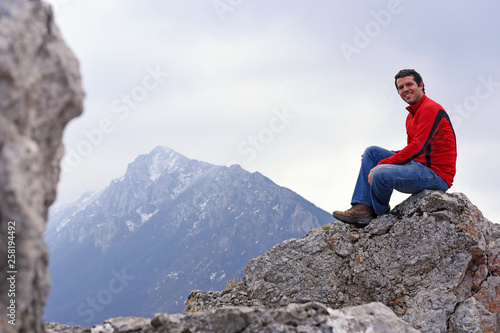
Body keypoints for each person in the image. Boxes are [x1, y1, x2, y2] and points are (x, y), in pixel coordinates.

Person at [332, 69, 457, 227]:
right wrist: (388, 156)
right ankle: (363, 208)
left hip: (436, 175)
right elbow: (416, 148)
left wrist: (382, 164)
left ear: (421, 85)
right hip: (420, 166)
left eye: (409, 84)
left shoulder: (429, 109)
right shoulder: (411, 115)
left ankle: (380, 214)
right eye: (401, 87)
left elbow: (417, 148)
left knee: (380, 172)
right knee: (372, 152)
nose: (405, 89)